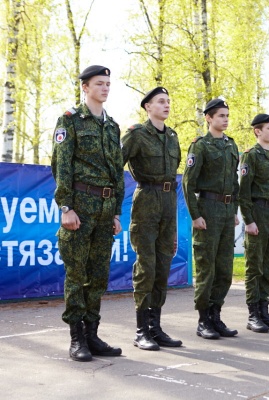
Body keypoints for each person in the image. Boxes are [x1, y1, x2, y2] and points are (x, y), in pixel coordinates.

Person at [51, 65, 124, 362]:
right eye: (99, 83)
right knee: (76, 274)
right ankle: (76, 337)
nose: (105, 88)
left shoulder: (112, 126)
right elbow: (61, 165)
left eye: (108, 83)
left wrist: (117, 212)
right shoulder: (70, 120)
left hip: (106, 211)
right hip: (80, 208)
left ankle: (92, 333)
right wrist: (65, 207)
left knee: (98, 276)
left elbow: (118, 172)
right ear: (85, 87)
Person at [121, 87, 182, 350]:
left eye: (168, 101)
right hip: (146, 200)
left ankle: (156, 327)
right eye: (160, 101)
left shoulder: (172, 136)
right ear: (147, 106)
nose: (166, 105)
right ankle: (140, 330)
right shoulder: (136, 134)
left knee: (163, 266)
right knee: (146, 266)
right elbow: (116, 164)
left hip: (168, 203)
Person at [182, 98, 240, 340]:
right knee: (207, 268)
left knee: (225, 269)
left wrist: (234, 210)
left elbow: (235, 183)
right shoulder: (201, 146)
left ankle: (216, 316)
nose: (225, 120)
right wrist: (195, 215)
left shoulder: (231, 145)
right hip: (208, 208)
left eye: (227, 115)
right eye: (220, 116)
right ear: (209, 118)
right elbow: (188, 183)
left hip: (227, 212)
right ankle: (203, 319)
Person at [239, 113, 269, 333]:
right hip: (258, 213)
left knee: (268, 265)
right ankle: (253, 314)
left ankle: (264, 310)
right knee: (254, 266)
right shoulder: (251, 156)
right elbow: (244, 191)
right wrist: (249, 220)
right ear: (257, 131)